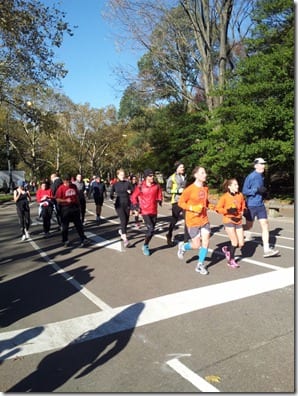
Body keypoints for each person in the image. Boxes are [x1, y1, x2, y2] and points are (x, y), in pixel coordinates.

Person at [176, 166, 212, 275]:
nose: (205, 175)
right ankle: (183, 246)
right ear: (196, 175)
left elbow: (206, 202)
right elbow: (181, 203)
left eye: (205, 173)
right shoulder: (189, 189)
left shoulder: (205, 188)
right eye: (202, 173)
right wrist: (192, 208)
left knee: (206, 242)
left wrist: (214, 208)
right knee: (196, 245)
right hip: (192, 221)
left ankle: (200, 265)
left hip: (204, 219)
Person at [242, 157, 279, 257]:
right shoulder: (251, 176)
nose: (263, 165)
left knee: (265, 225)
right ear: (255, 165)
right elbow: (244, 191)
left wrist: (264, 193)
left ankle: (267, 250)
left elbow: (261, 190)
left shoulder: (262, 176)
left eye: (264, 164)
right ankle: (237, 229)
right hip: (251, 205)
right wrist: (256, 190)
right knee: (249, 226)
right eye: (261, 164)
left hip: (260, 205)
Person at [130, 169, 163, 256]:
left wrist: (159, 199)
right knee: (151, 229)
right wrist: (136, 206)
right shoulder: (140, 186)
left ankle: (146, 244)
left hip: (154, 211)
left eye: (153, 175)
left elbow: (159, 193)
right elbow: (133, 197)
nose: (152, 177)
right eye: (150, 176)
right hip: (145, 211)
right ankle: (145, 246)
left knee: (152, 231)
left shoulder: (156, 185)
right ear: (146, 177)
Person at [215, 178, 246, 268]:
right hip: (228, 220)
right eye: (235, 185)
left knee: (241, 243)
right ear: (229, 187)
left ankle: (227, 249)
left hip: (238, 220)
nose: (237, 186)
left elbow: (243, 205)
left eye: (237, 184)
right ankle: (231, 260)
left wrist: (243, 211)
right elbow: (218, 209)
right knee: (234, 242)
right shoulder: (225, 197)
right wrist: (227, 210)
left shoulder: (240, 195)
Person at [55, 174, 88, 247]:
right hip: (65, 208)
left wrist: (79, 206)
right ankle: (65, 240)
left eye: (69, 182)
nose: (68, 184)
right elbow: (57, 199)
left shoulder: (74, 186)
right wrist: (65, 200)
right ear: (64, 181)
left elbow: (76, 196)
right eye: (66, 182)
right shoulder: (61, 188)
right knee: (65, 226)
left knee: (78, 224)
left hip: (74, 207)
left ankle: (83, 238)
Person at [165, 162, 189, 246]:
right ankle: (169, 234)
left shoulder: (185, 176)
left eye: (183, 167)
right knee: (174, 220)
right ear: (177, 168)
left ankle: (186, 240)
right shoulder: (172, 177)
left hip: (185, 201)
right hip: (176, 201)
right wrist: (177, 191)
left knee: (187, 219)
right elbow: (167, 190)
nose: (183, 168)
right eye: (181, 167)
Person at [110, 168, 133, 248]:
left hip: (127, 204)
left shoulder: (128, 183)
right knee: (123, 220)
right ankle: (125, 238)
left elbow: (133, 191)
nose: (122, 176)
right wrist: (112, 197)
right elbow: (111, 194)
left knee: (126, 220)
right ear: (118, 175)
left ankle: (121, 231)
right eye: (121, 175)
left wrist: (130, 192)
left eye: (123, 175)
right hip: (119, 205)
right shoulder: (115, 184)